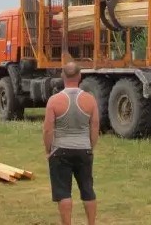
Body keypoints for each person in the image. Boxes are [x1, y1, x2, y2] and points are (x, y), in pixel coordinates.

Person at [43, 62, 100, 225]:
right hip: (84, 149)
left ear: (62, 76)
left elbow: (48, 130)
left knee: (63, 192)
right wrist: (90, 147)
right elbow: (95, 126)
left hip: (60, 150)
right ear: (80, 76)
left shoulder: (54, 101)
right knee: (88, 190)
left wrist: (48, 150)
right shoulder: (90, 100)